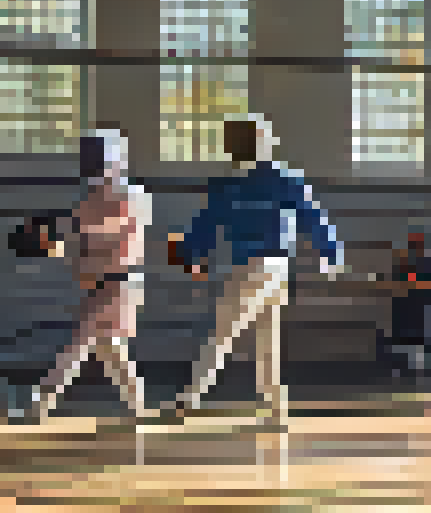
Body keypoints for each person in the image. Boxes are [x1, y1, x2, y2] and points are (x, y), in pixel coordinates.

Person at [167, 116, 343, 427]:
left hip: (249, 268)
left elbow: (206, 226)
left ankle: (187, 400)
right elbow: (311, 217)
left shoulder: (226, 186)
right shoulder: (285, 178)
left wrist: (188, 253)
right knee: (267, 338)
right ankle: (276, 410)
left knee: (223, 334)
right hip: (277, 270)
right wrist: (329, 252)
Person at [20, 129, 152, 423]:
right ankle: (140, 410)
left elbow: (95, 237)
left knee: (76, 348)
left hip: (117, 284)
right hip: (113, 283)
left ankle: (37, 408)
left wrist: (62, 242)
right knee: (111, 352)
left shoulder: (123, 196)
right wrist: (62, 246)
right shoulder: (102, 196)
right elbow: (85, 243)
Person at [382, 231, 431, 378]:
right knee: (404, 336)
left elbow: (428, 283)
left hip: (418, 305)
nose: (416, 246)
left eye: (417, 243)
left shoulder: (426, 262)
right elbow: (396, 281)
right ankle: (401, 368)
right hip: (405, 304)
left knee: (418, 336)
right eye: (413, 243)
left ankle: (416, 369)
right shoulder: (403, 261)